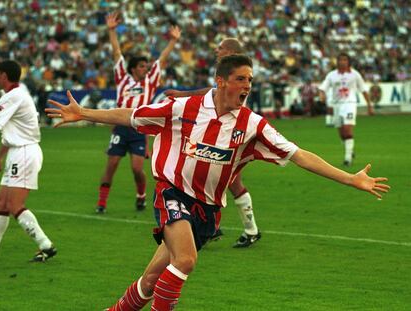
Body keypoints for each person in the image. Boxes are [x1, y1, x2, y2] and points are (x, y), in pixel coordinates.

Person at [46, 54, 389, 310]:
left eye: (250, 80)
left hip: (208, 210)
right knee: (186, 261)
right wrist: (84, 114)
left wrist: (350, 178)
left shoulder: (253, 124)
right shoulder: (185, 108)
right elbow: (133, 116)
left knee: (151, 279)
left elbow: (299, 154)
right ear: (222, 81)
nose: (247, 86)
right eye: (241, 79)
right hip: (172, 192)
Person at [165, 38, 261, 248]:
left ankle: (246, 229)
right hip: (224, 129)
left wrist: (182, 94)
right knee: (220, 179)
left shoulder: (237, 73)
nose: (217, 51)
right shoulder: (230, 72)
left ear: (230, 51)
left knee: (227, 180)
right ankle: (218, 226)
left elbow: (213, 94)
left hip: (232, 130)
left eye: (221, 48)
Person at [95, 12, 181, 213]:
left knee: (136, 168)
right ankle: (101, 203)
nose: (146, 69)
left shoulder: (150, 81)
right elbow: (117, 53)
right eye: (142, 66)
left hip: (139, 128)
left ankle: (141, 196)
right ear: (133, 68)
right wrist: (111, 30)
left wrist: (173, 41)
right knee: (112, 164)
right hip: (120, 127)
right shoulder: (123, 79)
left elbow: (162, 59)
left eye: (146, 66)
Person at [0, 60, 56, 262]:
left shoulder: (13, 96)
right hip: (18, 151)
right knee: (1, 203)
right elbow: (9, 132)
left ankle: (45, 245)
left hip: (23, 153)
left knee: (15, 204)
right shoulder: (17, 94)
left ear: (4, 75)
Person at [318, 53, 374, 166]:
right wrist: (322, 95)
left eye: (345, 60)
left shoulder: (355, 75)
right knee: (341, 133)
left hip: (350, 104)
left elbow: (363, 90)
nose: (342, 62)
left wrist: (369, 105)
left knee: (348, 130)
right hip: (336, 105)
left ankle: (347, 158)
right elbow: (323, 88)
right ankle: (350, 150)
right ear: (337, 62)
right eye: (340, 60)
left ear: (349, 62)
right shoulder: (331, 75)